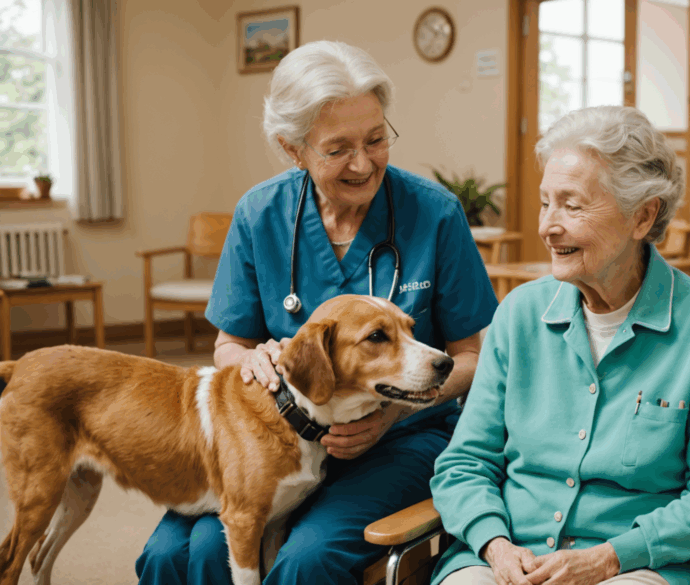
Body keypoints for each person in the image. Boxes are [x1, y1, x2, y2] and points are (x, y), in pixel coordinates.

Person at [134, 40, 498, 585]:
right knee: (183, 552)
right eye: (338, 149)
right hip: (276, 436)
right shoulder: (261, 214)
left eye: (377, 139)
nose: (363, 162)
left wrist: (390, 414)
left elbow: (473, 354)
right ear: (293, 149)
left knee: (308, 559)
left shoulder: (435, 214)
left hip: (400, 440)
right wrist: (250, 360)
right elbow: (228, 344)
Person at [429, 106, 690, 585]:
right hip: (503, 560)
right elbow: (465, 462)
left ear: (642, 217)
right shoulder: (519, 315)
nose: (548, 226)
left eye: (572, 204)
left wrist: (609, 558)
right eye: (546, 203)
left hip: (636, 566)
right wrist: (495, 546)